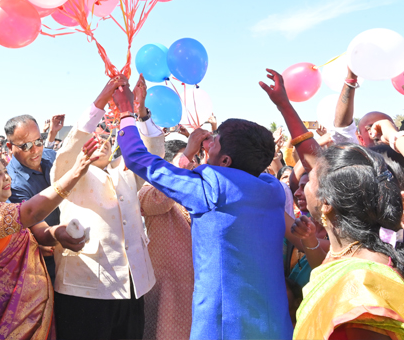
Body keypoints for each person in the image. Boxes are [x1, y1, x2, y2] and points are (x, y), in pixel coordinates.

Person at [112, 74, 293, 339]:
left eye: (214, 141)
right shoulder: (272, 188)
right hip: (273, 323)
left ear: (227, 160)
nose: (207, 143)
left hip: (223, 327)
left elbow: (139, 159)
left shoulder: (213, 188)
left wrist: (126, 112)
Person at [51, 76, 163, 340]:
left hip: (132, 286)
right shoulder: (69, 173)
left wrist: (140, 110)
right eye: (95, 134)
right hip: (86, 288)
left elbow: (153, 155)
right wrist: (101, 101)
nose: (100, 140)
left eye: (106, 136)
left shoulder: (124, 169)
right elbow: (71, 147)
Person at [0, 136, 99, 340]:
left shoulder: (7, 211)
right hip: (2, 323)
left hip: (27, 316)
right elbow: (32, 213)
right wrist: (76, 172)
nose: (7, 178)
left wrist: (56, 235)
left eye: (6, 172)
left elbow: (38, 231)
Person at [292, 144, 404, 339]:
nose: (300, 190)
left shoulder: (361, 289)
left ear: (326, 203)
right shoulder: (350, 255)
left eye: (309, 180)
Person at [138, 139, 194, 340]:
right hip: (166, 291)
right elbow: (159, 200)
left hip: (194, 291)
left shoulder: (194, 189)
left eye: (194, 158)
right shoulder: (147, 189)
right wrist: (184, 160)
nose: (192, 163)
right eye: (187, 158)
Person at [5, 113, 64, 282]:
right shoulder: (12, 184)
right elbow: (39, 231)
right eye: (26, 146)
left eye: (38, 141)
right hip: (45, 269)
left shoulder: (51, 158)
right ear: (10, 146)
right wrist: (64, 235)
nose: (35, 150)